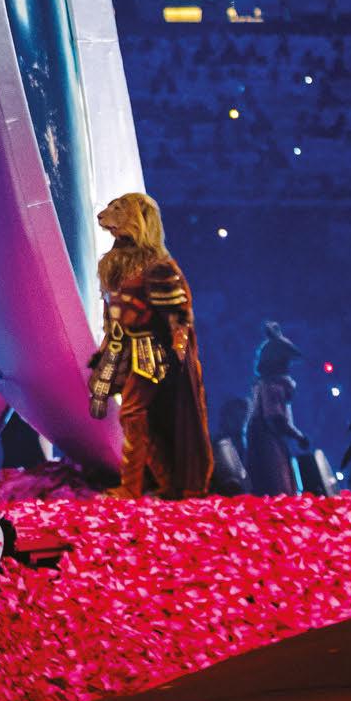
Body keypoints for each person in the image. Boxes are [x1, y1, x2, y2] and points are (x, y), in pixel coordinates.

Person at [88, 191, 212, 497]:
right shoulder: (116, 264)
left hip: (150, 352)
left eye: (119, 210)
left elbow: (178, 317)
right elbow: (113, 310)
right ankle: (166, 482)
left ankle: (132, 486)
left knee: (132, 414)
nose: (106, 215)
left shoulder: (158, 267)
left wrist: (178, 353)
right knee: (143, 420)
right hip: (122, 347)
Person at [246, 321, 307, 495]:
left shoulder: (266, 384)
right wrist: (298, 436)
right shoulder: (272, 386)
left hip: (266, 438)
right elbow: (275, 418)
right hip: (267, 441)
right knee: (277, 486)